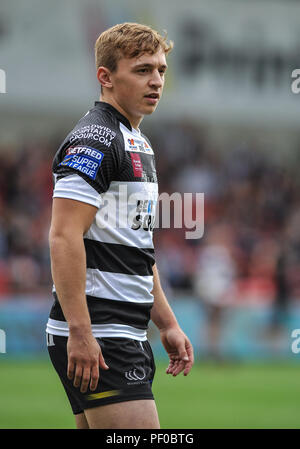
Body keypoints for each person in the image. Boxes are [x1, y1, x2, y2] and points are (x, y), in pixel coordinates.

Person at [46, 22, 194, 430]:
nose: (157, 81)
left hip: (122, 330)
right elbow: (63, 236)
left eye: (162, 70)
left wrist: (166, 323)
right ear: (106, 77)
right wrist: (80, 331)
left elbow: (137, 248)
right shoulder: (96, 138)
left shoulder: (138, 142)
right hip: (101, 331)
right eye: (143, 69)